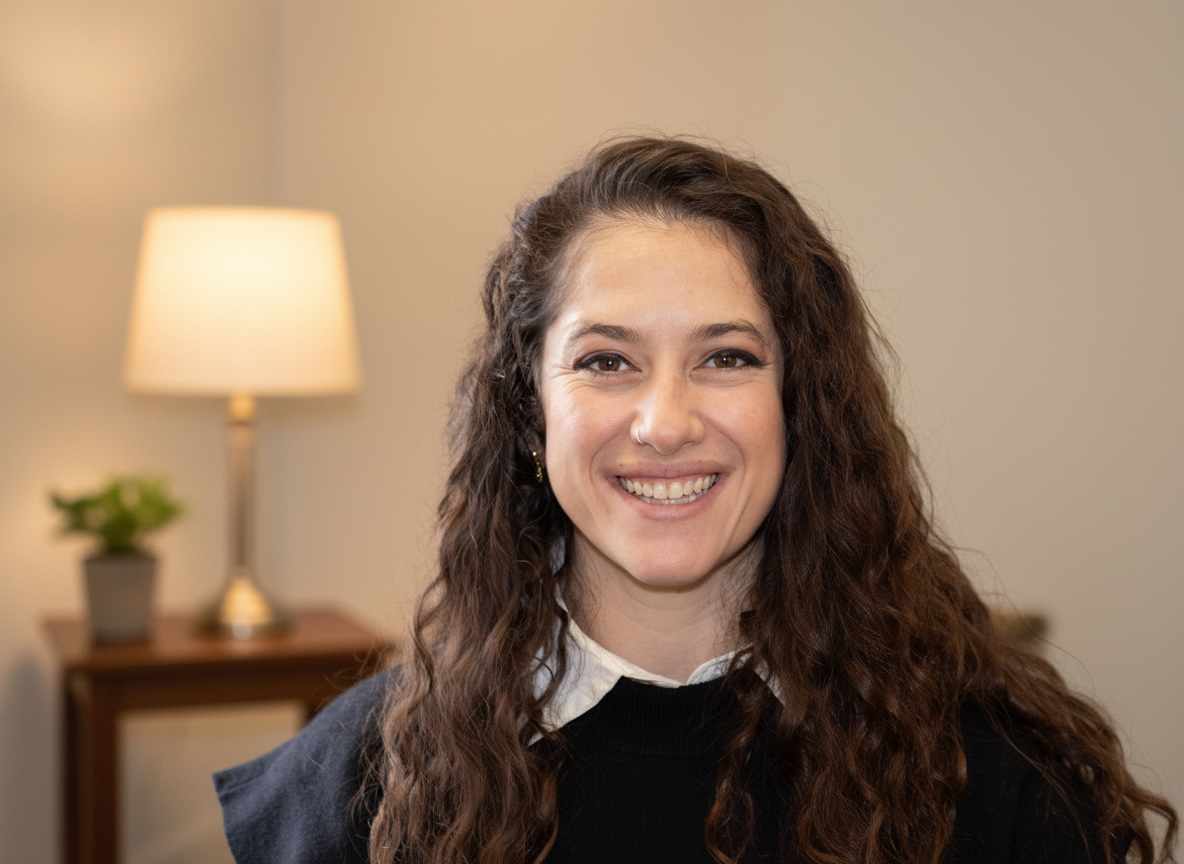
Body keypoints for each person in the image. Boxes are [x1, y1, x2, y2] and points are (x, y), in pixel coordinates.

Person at [214, 137, 1178, 864]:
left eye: (726, 357)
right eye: (606, 361)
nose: (664, 421)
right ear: (529, 405)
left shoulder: (1001, 780)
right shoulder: (370, 785)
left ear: (803, 403)